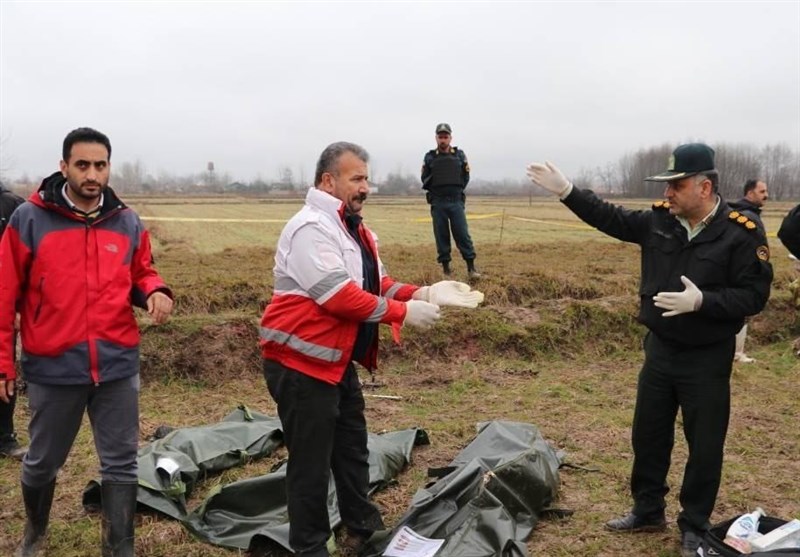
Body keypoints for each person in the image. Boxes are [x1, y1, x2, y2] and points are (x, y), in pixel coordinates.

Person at [526, 143, 772, 557]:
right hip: (660, 350)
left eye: (677, 185)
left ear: (704, 187)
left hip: (707, 355)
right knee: (649, 434)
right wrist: (567, 190)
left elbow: (754, 295)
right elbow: (610, 217)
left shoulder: (740, 232)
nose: (668, 193)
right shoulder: (661, 222)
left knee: (705, 442)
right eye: (667, 185)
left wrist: (703, 303)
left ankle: (694, 523)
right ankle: (646, 509)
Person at [260, 141, 484, 557]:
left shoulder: (354, 229)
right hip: (300, 365)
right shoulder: (312, 228)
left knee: (352, 448)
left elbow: (374, 284)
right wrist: (401, 313)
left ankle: (362, 527)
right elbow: (338, 297)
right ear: (329, 181)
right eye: (356, 178)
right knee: (310, 463)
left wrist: (426, 292)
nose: (366, 187)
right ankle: (309, 547)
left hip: (334, 361)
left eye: (367, 178)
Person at [0, 127, 174, 557]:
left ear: (109, 167)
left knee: (121, 463)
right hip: (53, 366)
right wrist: (3, 362)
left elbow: (141, 272)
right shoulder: (29, 219)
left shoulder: (127, 220)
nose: (92, 174)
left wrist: (154, 290)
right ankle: (35, 533)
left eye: (100, 165)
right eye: (83, 165)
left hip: (117, 364)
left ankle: (120, 548)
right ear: (64, 167)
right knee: (42, 462)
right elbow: (4, 294)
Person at [421, 123, 480, 279]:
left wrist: (456, 189)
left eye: (445, 137)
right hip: (438, 202)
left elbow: (465, 176)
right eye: (440, 137)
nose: (443, 140)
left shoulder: (459, 155)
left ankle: (471, 268)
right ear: (436, 138)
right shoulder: (430, 157)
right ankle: (446, 269)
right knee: (441, 235)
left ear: (450, 138)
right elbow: (424, 178)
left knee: (462, 234)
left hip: (455, 201)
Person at [728, 179, 769, 363]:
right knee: (741, 312)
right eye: (762, 191)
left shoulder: (737, 211)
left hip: (734, 271)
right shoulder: (748, 216)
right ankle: (737, 354)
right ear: (750, 193)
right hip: (742, 272)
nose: (766, 195)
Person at [0, 182, 26, 460]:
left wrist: (19, 308)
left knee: (4, 371)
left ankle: (5, 437)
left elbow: (25, 262)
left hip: (4, 306)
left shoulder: (13, 205)